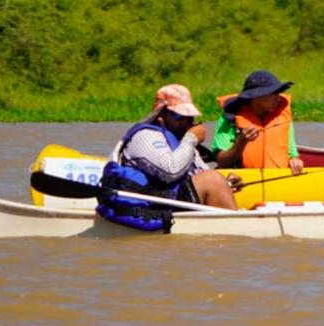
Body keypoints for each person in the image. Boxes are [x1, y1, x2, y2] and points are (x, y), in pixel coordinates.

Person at [97, 84, 239, 231]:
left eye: (189, 117)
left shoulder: (181, 140)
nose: (186, 122)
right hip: (151, 204)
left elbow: (200, 174)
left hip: (174, 199)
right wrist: (191, 138)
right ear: (160, 116)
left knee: (215, 179)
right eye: (179, 116)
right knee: (212, 180)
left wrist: (225, 183)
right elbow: (170, 172)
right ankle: (236, 231)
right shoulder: (145, 136)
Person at [212, 70, 303, 175]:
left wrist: (295, 160)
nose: (278, 98)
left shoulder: (282, 115)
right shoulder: (230, 119)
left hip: (278, 179)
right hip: (241, 179)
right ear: (256, 98)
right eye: (274, 93)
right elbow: (223, 163)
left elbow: (292, 154)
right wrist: (241, 142)